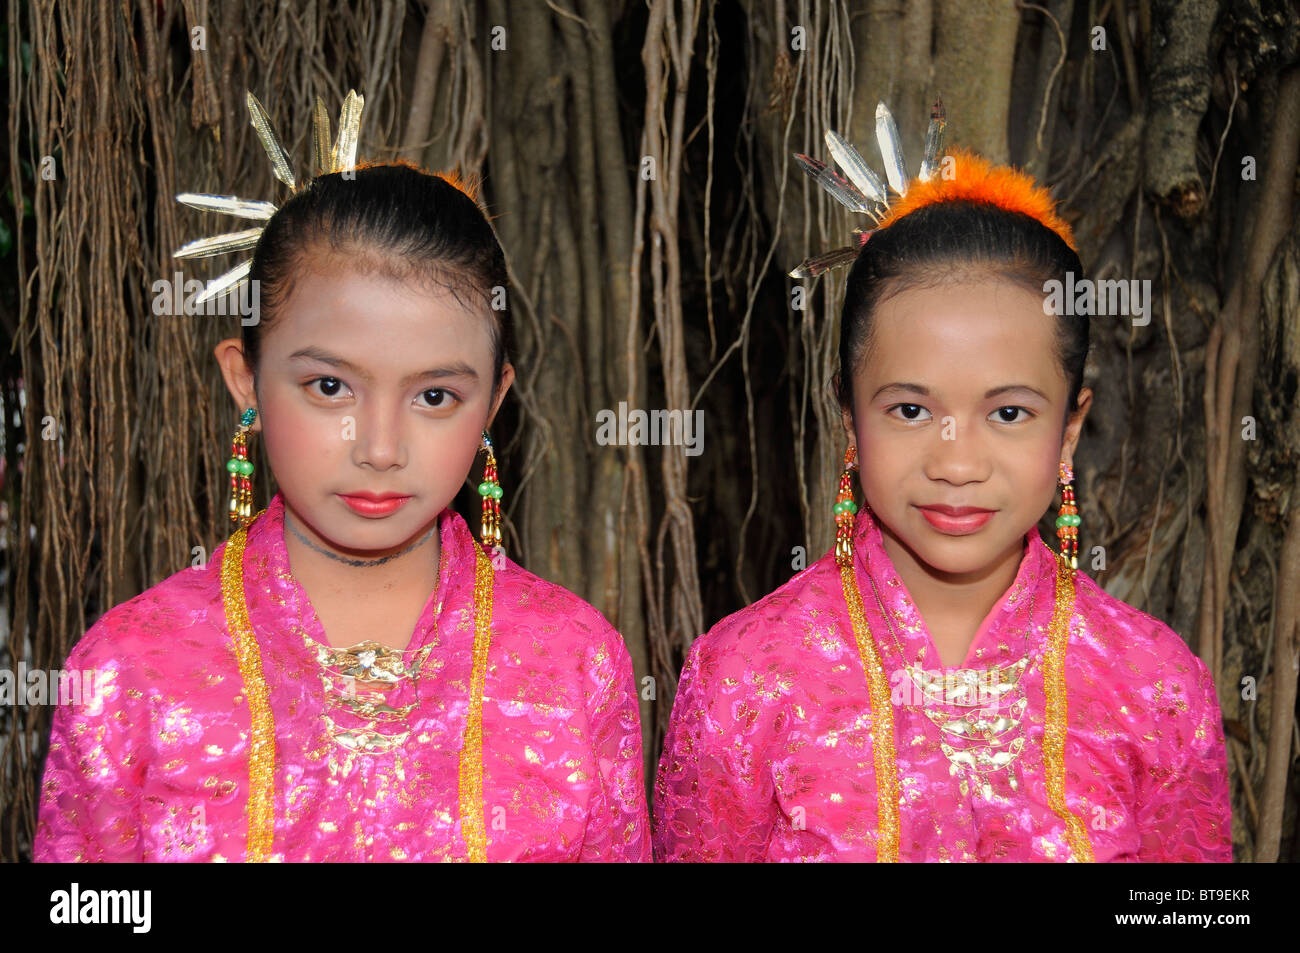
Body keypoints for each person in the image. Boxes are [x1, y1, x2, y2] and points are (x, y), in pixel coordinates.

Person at [35, 91, 650, 862]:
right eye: (330, 387)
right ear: (246, 378)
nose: (381, 448)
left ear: (493, 399)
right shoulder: (127, 670)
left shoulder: (574, 660)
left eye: (435, 396)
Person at [653, 113, 1232, 862]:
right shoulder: (740, 678)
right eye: (911, 409)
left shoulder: (1157, 688)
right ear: (848, 418)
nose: (957, 462)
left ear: (1071, 427)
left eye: (1010, 412)